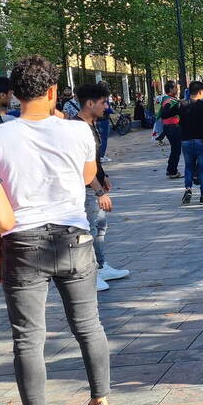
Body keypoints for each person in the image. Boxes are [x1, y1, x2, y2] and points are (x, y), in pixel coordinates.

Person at [0, 55, 112, 405]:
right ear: (54, 91)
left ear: (13, 94)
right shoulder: (78, 132)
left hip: (23, 242)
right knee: (89, 325)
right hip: (75, 238)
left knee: (28, 339)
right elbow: (89, 176)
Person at [73, 82, 130, 290]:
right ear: (89, 103)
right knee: (87, 229)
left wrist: (103, 175)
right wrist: (98, 191)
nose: (106, 107)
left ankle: (101, 265)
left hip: (95, 183)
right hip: (86, 188)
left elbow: (93, 159)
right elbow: (81, 166)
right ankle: (90, 273)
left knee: (99, 226)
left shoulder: (90, 125)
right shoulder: (78, 128)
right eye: (103, 102)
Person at [178, 81, 203, 205]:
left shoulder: (182, 105)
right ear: (201, 92)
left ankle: (188, 188)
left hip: (186, 141)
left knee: (188, 166)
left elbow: (170, 116)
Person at [158, 81, 183, 179]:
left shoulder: (169, 99)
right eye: (175, 88)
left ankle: (171, 169)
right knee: (176, 150)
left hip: (171, 127)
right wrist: (177, 108)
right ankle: (172, 171)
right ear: (171, 89)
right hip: (172, 127)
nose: (177, 90)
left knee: (175, 149)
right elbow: (165, 113)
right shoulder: (169, 101)